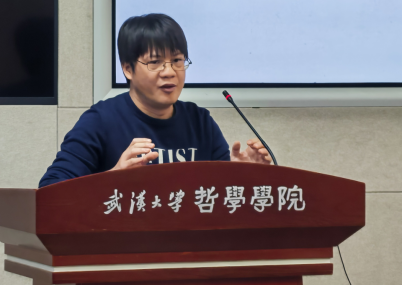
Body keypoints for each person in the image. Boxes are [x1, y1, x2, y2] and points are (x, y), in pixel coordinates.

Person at [39, 14, 273, 188]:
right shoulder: (101, 120)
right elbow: (51, 188)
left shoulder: (199, 121)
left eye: (177, 60)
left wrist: (242, 176)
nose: (169, 72)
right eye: (155, 62)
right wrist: (113, 177)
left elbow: (219, 197)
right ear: (128, 69)